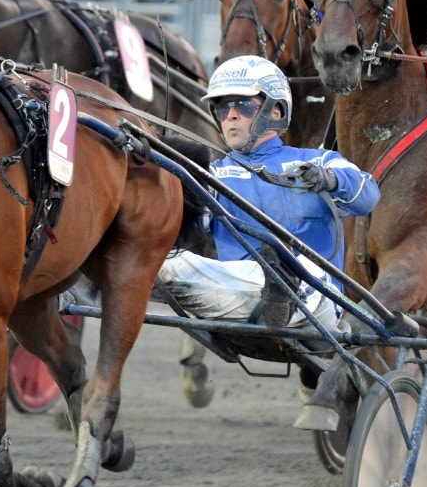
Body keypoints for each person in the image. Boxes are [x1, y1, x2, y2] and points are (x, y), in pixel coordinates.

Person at [154, 55, 380, 336]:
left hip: (315, 294)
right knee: (160, 265)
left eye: (243, 105)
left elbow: (368, 196)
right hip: (238, 291)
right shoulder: (213, 176)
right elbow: (179, 225)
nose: (231, 116)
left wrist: (330, 180)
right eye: (222, 109)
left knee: (299, 276)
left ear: (275, 111)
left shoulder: (320, 161)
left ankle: (281, 289)